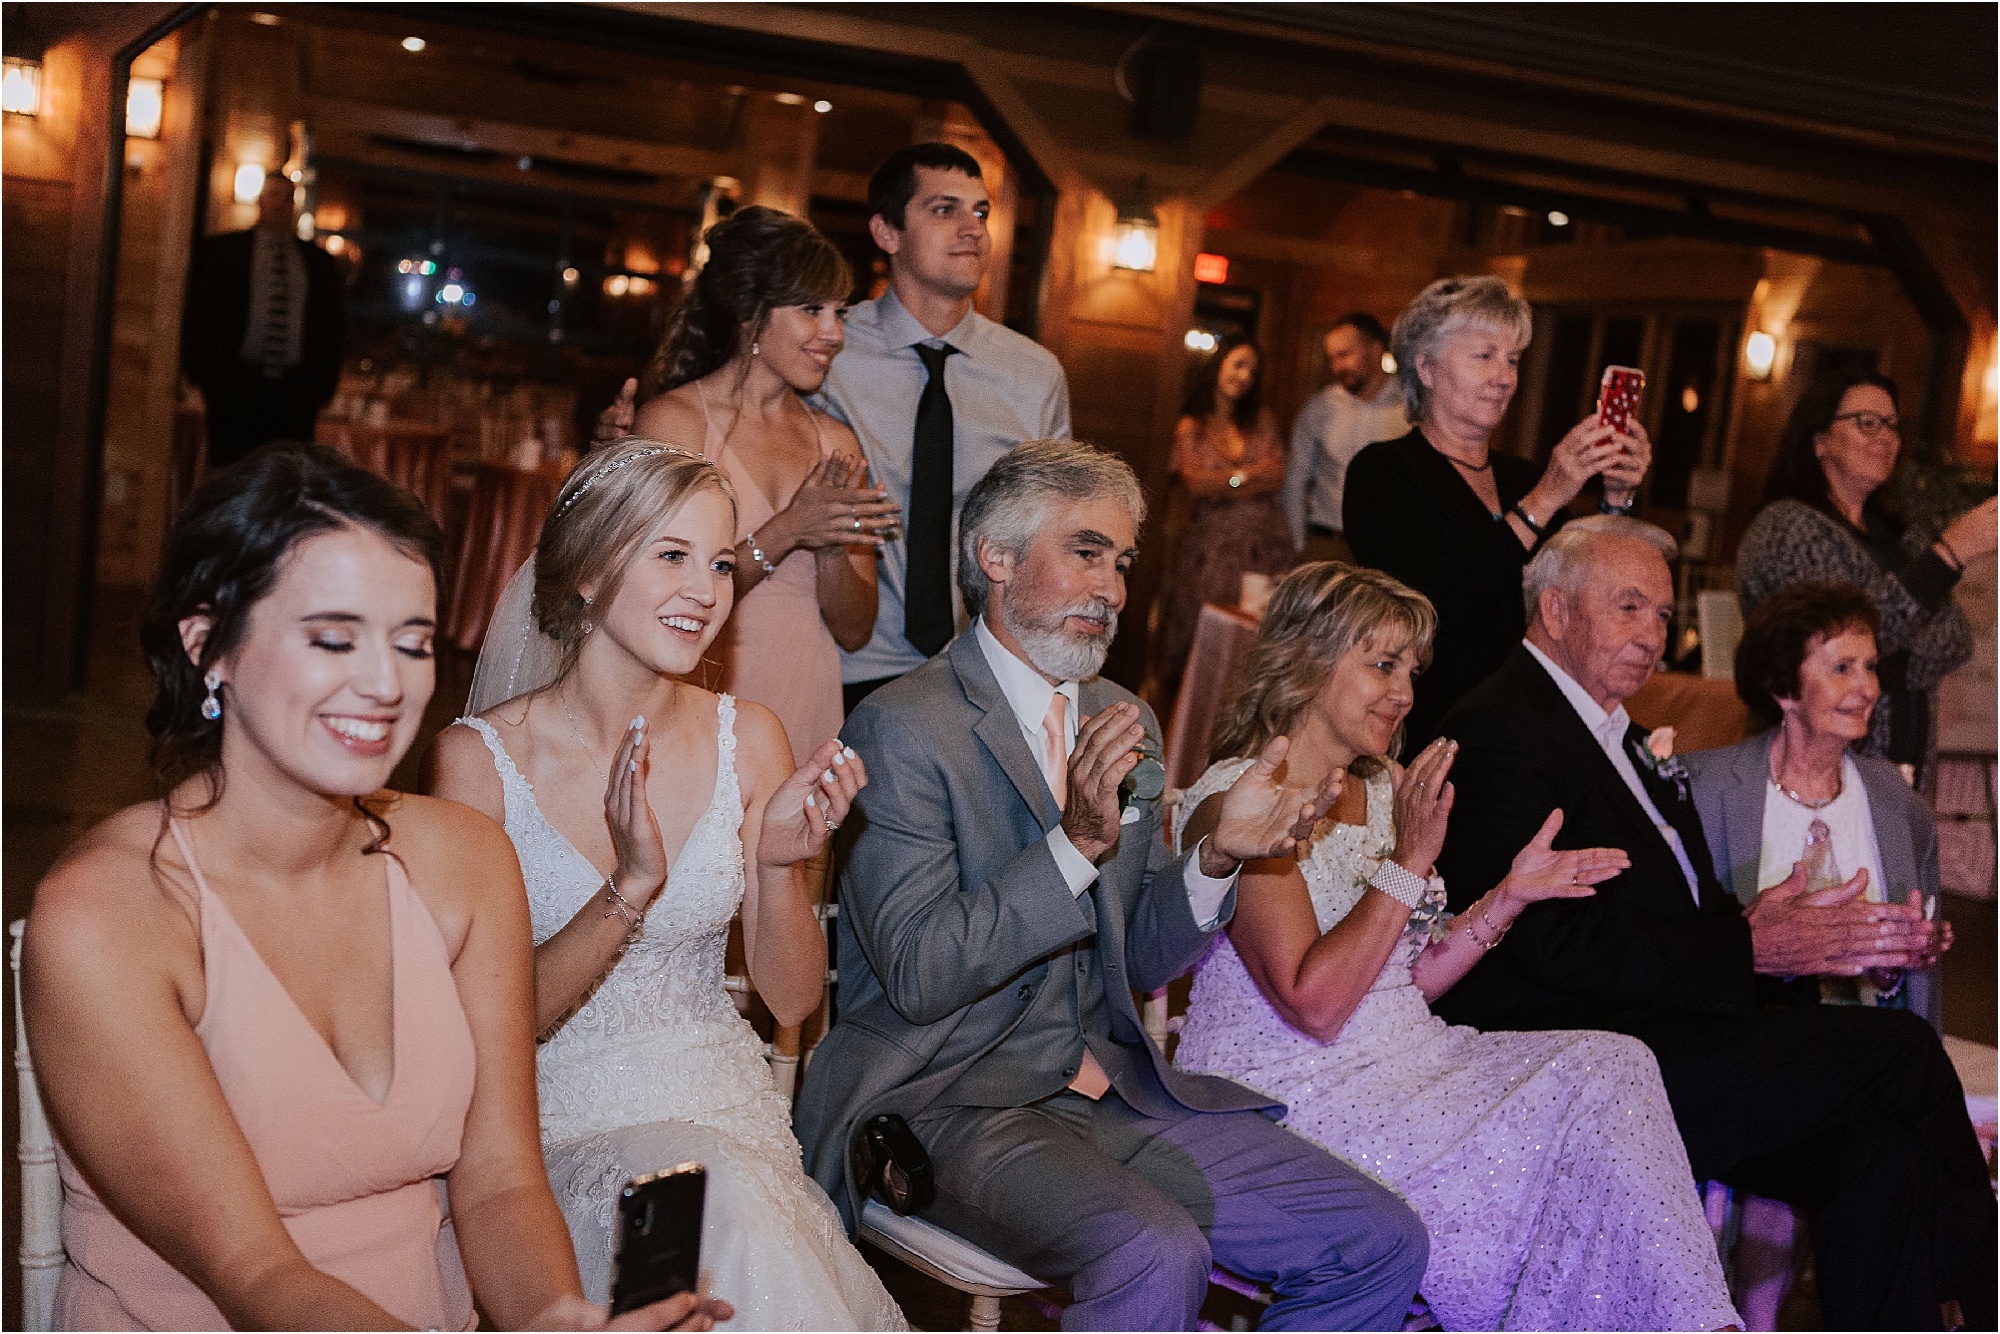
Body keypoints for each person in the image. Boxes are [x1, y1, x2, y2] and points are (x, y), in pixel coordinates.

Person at [23, 445, 727, 1331]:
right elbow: (259, 1278)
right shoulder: (109, 916)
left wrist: (556, 1317)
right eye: (333, 638)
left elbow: (503, 1181)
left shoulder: (464, 863)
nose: (385, 683)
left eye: (412, 642)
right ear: (210, 648)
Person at [794, 439, 1430, 1332]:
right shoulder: (904, 727)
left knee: (1380, 1238)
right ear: (997, 558)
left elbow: (1142, 952)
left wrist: (1217, 861)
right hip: (949, 1098)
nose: (1116, 589)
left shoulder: (1121, 717)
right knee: (1155, 1253)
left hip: (1108, 1087)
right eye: (1087, 552)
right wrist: (1075, 844)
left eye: (1124, 562)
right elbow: (918, 972)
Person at [1431, 515, 1995, 1332]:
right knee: (1902, 1053)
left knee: (1888, 1158)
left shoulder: (1611, 729)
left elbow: (1673, 911)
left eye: (1663, 614)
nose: (1654, 635)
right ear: (1555, 611)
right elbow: (1538, 942)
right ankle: (1988, 1299)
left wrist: (1769, 929)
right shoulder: (1505, 729)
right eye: (1629, 608)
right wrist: (1747, 947)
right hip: (1599, 1065)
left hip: (1682, 1034)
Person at [1169, 561, 1737, 1331]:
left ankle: (1703, 1324)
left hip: (1408, 1064)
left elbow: (1402, 983)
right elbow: (1317, 1003)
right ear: (1306, 661)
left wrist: (1507, 897)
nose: (1404, 692)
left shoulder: (1384, 787)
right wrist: (1408, 861)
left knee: (1615, 1061)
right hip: (1289, 1093)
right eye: (1381, 663)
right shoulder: (1243, 801)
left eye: (1411, 669)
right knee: (1546, 1156)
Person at [427, 442, 907, 1329]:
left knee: (741, 1225)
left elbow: (794, 999)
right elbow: (486, 1028)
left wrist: (775, 865)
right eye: (672, 555)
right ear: (585, 573)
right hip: (557, 1135)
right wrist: (631, 887)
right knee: (711, 1217)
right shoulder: (480, 764)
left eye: (721, 563)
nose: (706, 590)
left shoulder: (750, 736)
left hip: (734, 1125)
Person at [619, 204, 894, 766]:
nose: (833, 333)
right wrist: (790, 529)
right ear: (750, 313)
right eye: (812, 310)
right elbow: (647, 595)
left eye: (839, 313)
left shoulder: (835, 444)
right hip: (697, 697)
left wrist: (830, 545)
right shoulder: (676, 423)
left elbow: (855, 630)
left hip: (805, 703)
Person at [1344, 275, 1651, 754]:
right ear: (1425, 367)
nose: (1504, 377)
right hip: (1437, 726)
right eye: (1483, 356)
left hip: (1535, 725)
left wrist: (1617, 498)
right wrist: (1544, 499)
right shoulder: (1384, 472)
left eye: (1512, 360)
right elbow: (1428, 606)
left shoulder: (1522, 477)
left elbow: (1591, 590)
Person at [816, 142, 1072, 712]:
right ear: (886, 231)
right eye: (943, 210)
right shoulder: (828, 353)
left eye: (981, 212)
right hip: (845, 660)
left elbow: (1057, 528)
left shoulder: (1033, 375)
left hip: (982, 673)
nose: (972, 229)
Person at [1690, 581, 1953, 1026]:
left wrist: (1893, 965)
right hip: (1744, 1053)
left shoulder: (1899, 801)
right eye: (1842, 668)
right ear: (1783, 688)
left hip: (1870, 1053)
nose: (1867, 688)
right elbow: (1678, 952)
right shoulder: (1702, 789)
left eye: (1870, 667)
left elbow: (1915, 992)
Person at [1736, 371, 1992, 782]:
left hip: (1905, 774)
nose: (1887, 437)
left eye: (1893, 425)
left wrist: (1885, 655)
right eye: (1867, 422)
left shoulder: (1901, 538)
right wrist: (1948, 554)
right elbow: (1830, 643)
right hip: (1815, 771)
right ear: (1820, 441)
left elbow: (1954, 642)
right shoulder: (1786, 528)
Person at [1151, 333, 1293, 710]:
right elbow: (1196, 483)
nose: (1244, 375)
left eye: (1252, 370)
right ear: (1219, 365)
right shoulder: (1191, 427)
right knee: (1199, 637)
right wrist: (1248, 476)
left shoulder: (1262, 422)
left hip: (1259, 552)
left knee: (1250, 645)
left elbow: (1277, 473)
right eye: (1238, 364)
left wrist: (1228, 480)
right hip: (1209, 553)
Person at [180, 174, 345, 470]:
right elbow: (199, 315)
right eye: (273, 196)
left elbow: (330, 326)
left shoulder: (316, 262)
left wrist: (321, 388)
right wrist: (202, 375)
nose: (280, 205)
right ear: (260, 201)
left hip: (293, 395)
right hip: (235, 387)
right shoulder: (224, 252)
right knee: (231, 473)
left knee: (285, 476)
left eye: (287, 198)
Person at [1280, 314, 1407, 564]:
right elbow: (1295, 480)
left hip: (1387, 548)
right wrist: (1299, 545)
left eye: (1345, 355)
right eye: (1332, 358)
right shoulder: (1320, 407)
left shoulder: (1410, 408)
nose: (1337, 367)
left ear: (1375, 349)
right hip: (1327, 544)